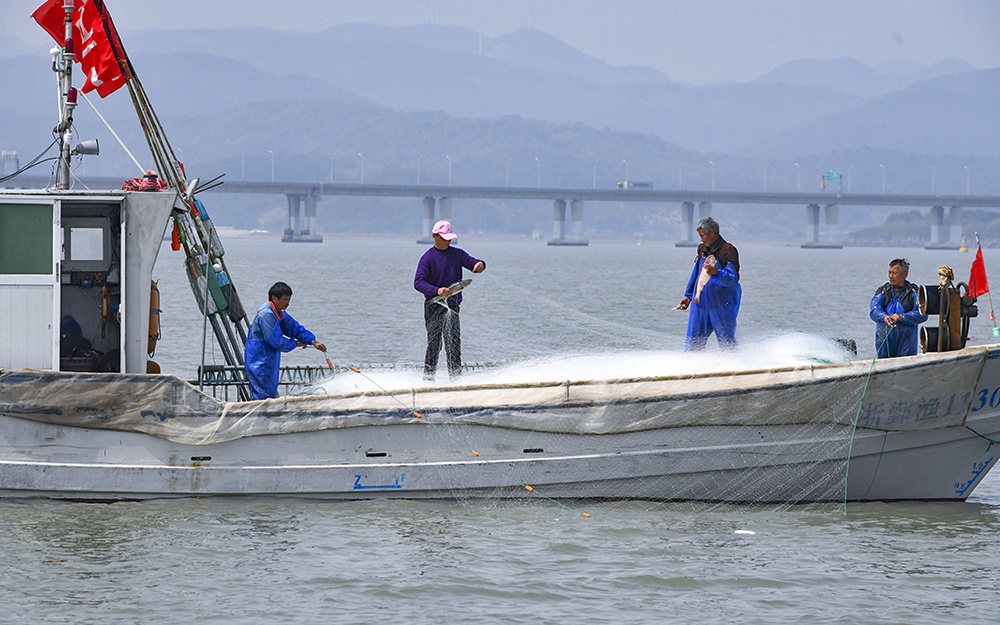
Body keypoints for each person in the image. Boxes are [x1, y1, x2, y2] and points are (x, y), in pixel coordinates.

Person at [414, 220, 486, 380]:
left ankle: (455, 379)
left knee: (453, 344)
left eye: (449, 238)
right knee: (434, 344)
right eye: (444, 237)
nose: (448, 240)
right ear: (434, 236)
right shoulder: (427, 258)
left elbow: (473, 262)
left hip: (452, 306)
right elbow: (418, 283)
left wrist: (479, 265)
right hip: (434, 305)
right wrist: (437, 290)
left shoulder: (457, 254)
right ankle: (428, 379)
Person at [244, 281, 327, 400]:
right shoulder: (266, 314)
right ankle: (260, 417)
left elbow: (295, 328)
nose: (287, 303)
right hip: (259, 360)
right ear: (274, 298)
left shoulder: (279, 313)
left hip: (269, 359)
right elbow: (276, 341)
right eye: (285, 299)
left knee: (269, 392)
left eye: (289, 299)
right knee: (262, 394)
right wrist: (296, 343)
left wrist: (313, 342)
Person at [677, 217, 741, 350]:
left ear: (712, 233)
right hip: (700, 304)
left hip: (721, 305)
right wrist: (688, 296)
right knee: (693, 342)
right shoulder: (702, 249)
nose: (701, 239)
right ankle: (692, 367)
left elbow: (732, 279)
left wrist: (717, 273)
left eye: (702, 235)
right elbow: (696, 274)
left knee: (727, 342)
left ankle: (734, 366)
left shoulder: (728, 250)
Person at [869, 258, 927, 358]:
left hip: (906, 342)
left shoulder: (914, 292)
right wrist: (883, 317)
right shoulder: (883, 290)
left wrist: (902, 317)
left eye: (894, 273)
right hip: (885, 341)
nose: (891, 276)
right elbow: (874, 309)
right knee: (884, 361)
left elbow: (922, 314)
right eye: (890, 273)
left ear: (904, 275)